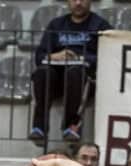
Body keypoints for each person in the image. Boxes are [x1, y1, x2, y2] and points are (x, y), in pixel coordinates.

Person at [29, 0, 112, 145]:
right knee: (42, 72)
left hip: (86, 79)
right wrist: (53, 56)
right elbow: (39, 56)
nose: (78, 3)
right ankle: (39, 128)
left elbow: (110, 55)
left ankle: (72, 127)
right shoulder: (56, 24)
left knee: (74, 72)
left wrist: (80, 58)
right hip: (57, 79)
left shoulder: (100, 25)